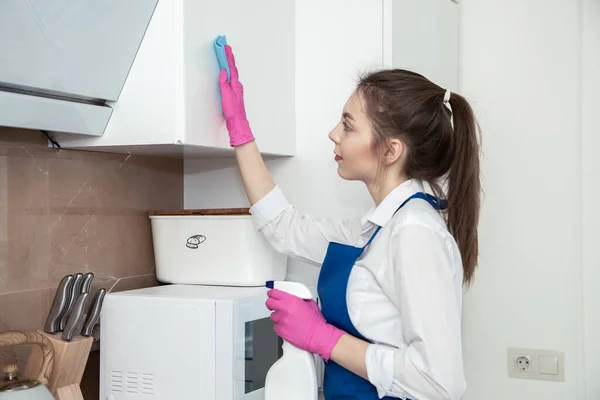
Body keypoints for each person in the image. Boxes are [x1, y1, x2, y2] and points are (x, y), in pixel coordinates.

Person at [218, 44, 481, 400]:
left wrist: (324, 338)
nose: (333, 134)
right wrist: (240, 130)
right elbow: (284, 226)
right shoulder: (376, 229)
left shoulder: (414, 233)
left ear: (390, 150)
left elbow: (439, 382)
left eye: (348, 125)